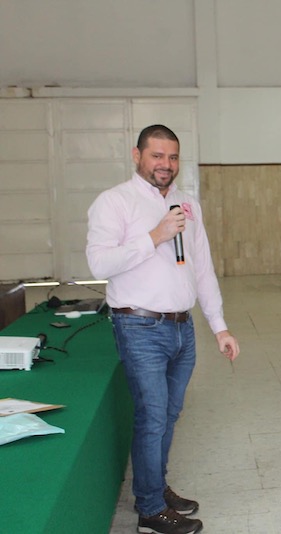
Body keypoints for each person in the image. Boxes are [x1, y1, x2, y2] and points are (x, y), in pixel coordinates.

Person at [86, 124, 240, 534]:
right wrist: (155, 236)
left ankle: (155, 486)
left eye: (172, 157)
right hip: (139, 326)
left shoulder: (187, 204)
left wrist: (219, 327)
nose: (165, 164)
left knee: (169, 415)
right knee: (153, 416)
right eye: (156, 155)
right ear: (137, 155)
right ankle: (150, 511)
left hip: (181, 329)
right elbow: (99, 264)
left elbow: (202, 268)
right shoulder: (114, 202)